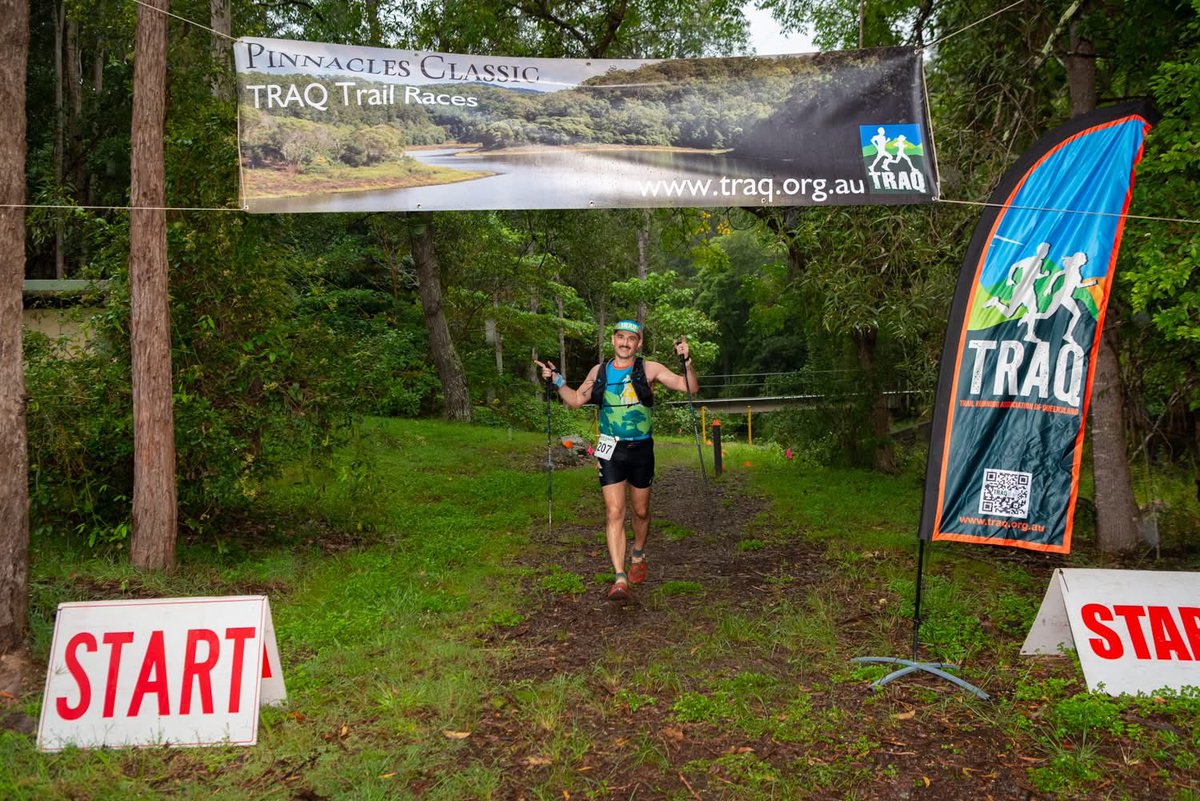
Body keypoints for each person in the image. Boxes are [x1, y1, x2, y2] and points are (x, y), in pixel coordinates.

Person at [535, 320, 698, 601]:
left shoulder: (649, 368)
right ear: (612, 341)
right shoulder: (599, 371)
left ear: (639, 343)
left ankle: (637, 554)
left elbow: (689, 387)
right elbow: (575, 400)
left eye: (630, 339)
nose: (625, 343)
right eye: (620, 337)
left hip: (641, 450)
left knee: (641, 511)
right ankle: (620, 577)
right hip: (609, 449)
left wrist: (688, 361)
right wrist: (557, 380)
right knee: (613, 512)